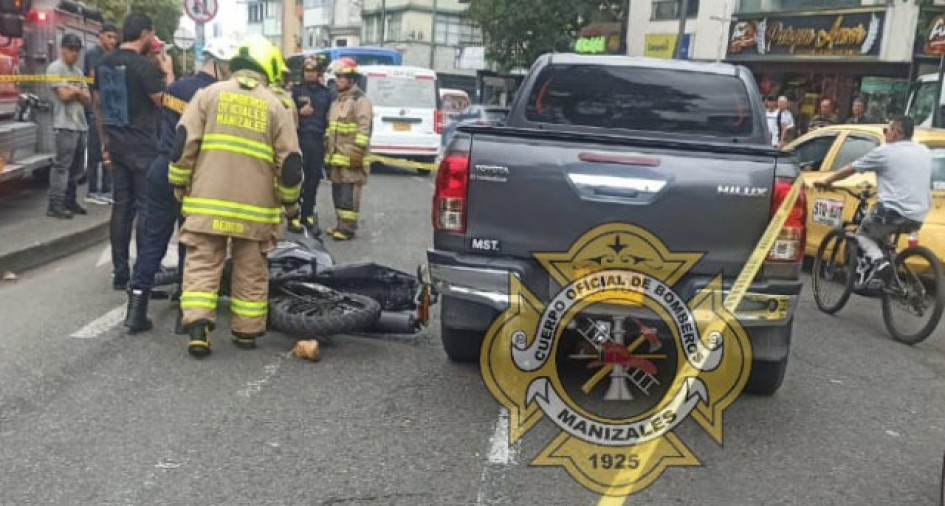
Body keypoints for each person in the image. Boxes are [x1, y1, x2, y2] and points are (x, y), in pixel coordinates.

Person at [169, 35, 302, 357]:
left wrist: (179, 183)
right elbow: (290, 163)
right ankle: (246, 332)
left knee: (202, 261)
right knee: (251, 268)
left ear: (232, 67)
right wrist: (290, 203)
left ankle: (199, 328)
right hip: (256, 209)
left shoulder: (207, 95)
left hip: (207, 200)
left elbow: (184, 142)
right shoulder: (276, 105)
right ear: (264, 69)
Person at [123, 38, 237, 334]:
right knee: (192, 242)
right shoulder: (217, 95)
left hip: (161, 170)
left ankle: (136, 309)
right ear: (221, 65)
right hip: (195, 175)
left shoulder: (175, 89)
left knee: (153, 241)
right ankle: (185, 315)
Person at [92, 13, 173, 291]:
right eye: (151, 34)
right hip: (142, 146)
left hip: (116, 143)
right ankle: (144, 273)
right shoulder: (144, 67)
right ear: (144, 34)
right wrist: (168, 71)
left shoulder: (103, 63)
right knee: (146, 209)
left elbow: (98, 105)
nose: (152, 39)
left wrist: (104, 142)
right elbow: (165, 103)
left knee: (121, 207)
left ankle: (120, 271)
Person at [814, 116, 931, 286]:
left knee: (863, 234)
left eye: (887, 130)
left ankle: (880, 263)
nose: (885, 134)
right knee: (883, 236)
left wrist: (827, 181)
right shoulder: (924, 151)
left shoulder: (885, 151)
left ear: (897, 133)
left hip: (891, 213)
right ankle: (889, 273)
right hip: (918, 214)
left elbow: (851, 168)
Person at [324, 57, 373, 241]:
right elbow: (331, 130)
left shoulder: (360, 101)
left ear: (352, 79)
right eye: (337, 77)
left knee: (349, 194)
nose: (337, 80)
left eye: (341, 77)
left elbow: (363, 128)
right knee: (338, 192)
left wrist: (357, 152)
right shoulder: (337, 102)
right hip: (337, 157)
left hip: (352, 157)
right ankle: (340, 224)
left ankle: (348, 228)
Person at [46, 34, 91, 220]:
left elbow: (88, 99)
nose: (74, 53)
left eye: (77, 50)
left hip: (79, 124)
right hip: (64, 124)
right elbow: (63, 96)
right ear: (62, 48)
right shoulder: (56, 68)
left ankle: (70, 201)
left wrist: (75, 91)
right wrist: (77, 91)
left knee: (77, 168)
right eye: (71, 49)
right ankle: (55, 204)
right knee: (62, 167)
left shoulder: (78, 73)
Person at [288, 55, 331, 236]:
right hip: (300, 139)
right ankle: (293, 215)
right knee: (298, 179)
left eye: (313, 71)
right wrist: (299, 111)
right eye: (307, 71)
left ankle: (307, 213)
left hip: (317, 141)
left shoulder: (327, 93)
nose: (309, 74)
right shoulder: (296, 91)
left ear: (319, 73)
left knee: (313, 180)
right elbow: (286, 113)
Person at [83, 22, 118, 206]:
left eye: (115, 37)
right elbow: (92, 77)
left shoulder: (111, 55)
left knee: (109, 149)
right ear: (100, 36)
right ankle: (92, 189)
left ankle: (107, 188)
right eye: (109, 36)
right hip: (95, 109)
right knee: (96, 149)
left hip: (110, 109)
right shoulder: (93, 54)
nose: (112, 41)